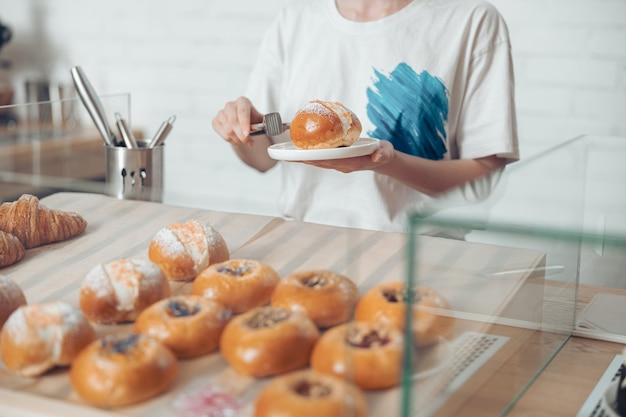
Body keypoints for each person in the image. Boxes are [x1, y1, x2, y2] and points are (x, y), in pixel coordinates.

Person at [212, 0, 519, 233]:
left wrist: (388, 162)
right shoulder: (296, 20)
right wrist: (240, 133)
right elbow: (264, 160)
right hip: (305, 241)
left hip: (421, 252)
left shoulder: (471, 20)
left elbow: (483, 179)